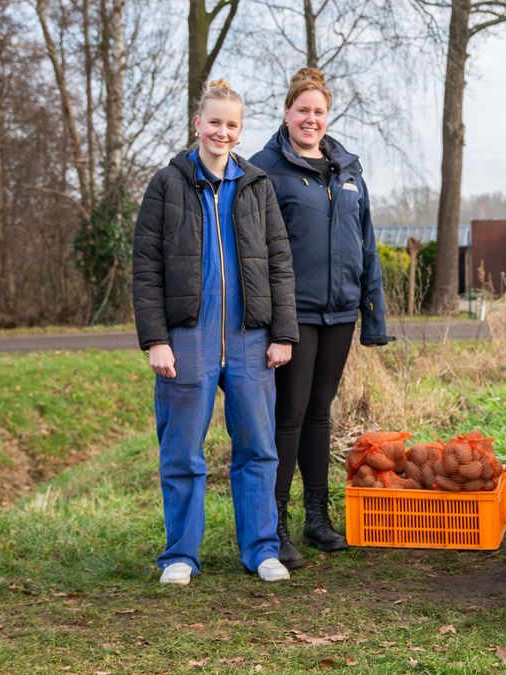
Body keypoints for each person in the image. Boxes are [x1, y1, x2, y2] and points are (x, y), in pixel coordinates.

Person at [132, 79, 299, 585]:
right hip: (187, 337)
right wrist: (155, 339)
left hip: (251, 337)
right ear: (197, 124)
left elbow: (279, 263)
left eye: (231, 124)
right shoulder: (166, 184)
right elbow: (146, 266)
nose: (221, 132)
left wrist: (283, 333)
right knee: (182, 452)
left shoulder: (257, 185)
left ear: (240, 130)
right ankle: (180, 556)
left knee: (259, 449)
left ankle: (261, 550)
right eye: (214, 122)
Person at [250, 67, 391, 564]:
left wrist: (373, 317)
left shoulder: (347, 170)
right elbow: (255, 252)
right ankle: (275, 525)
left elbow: (367, 245)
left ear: (328, 116)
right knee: (288, 415)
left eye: (319, 111)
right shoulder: (264, 169)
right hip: (292, 316)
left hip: (340, 314)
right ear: (287, 112)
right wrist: (269, 318)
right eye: (303, 110)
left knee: (319, 412)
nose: (311, 119)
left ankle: (316, 518)